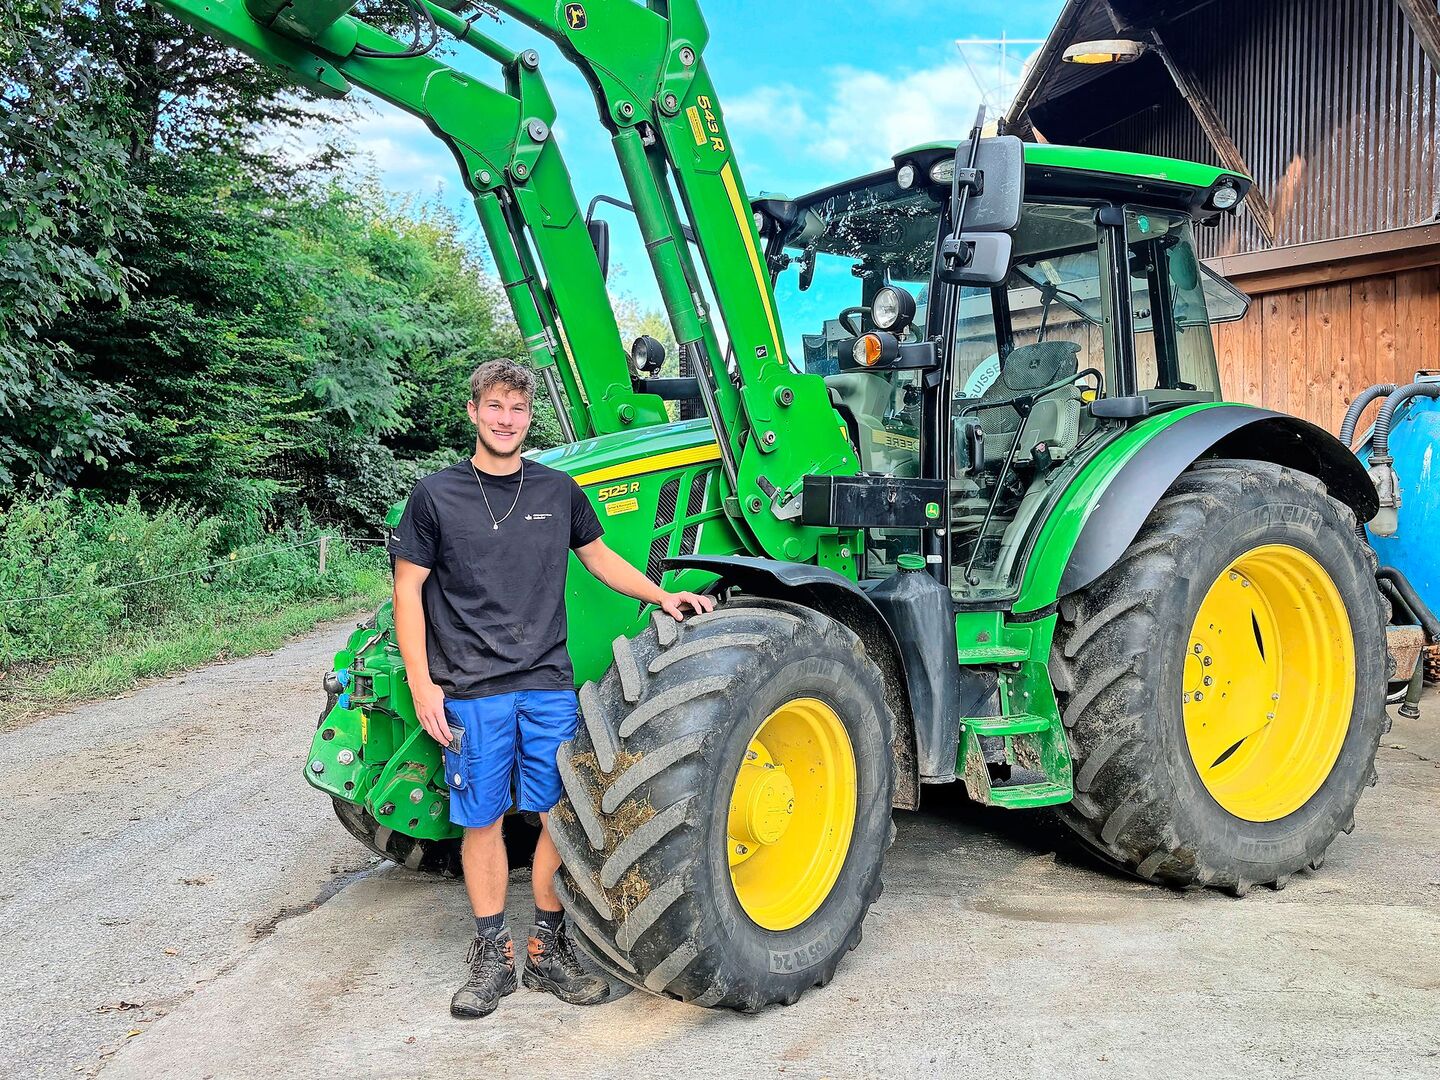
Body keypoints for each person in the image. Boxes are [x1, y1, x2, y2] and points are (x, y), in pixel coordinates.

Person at [388, 359, 715, 1019]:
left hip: (546, 684)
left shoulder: (557, 489)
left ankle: (545, 946)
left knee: (558, 818)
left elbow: (600, 558)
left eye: (517, 408)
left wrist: (661, 595)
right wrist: (422, 684)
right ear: (473, 411)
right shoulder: (435, 496)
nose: (505, 419)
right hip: (470, 688)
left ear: (528, 417)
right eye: (494, 406)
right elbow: (407, 592)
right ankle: (491, 954)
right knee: (481, 820)